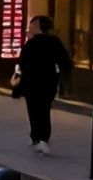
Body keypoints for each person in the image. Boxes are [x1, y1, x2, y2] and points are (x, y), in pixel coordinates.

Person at [16, 15, 72, 156]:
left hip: (32, 83)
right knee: (44, 109)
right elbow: (64, 60)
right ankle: (43, 137)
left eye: (32, 24)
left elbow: (23, 63)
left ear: (38, 26)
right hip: (48, 82)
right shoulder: (54, 42)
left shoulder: (32, 44)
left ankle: (37, 136)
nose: (30, 27)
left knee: (33, 109)